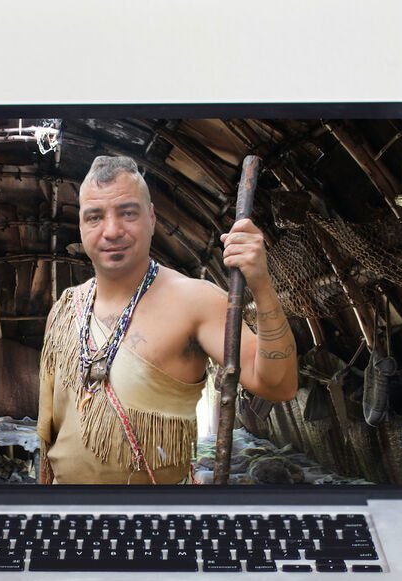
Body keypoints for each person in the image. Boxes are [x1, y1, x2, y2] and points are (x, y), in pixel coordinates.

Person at [37, 155, 298, 484]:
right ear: (81, 226)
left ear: (151, 218)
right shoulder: (64, 311)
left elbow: (279, 385)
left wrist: (260, 283)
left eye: (128, 213)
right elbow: (48, 435)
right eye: (95, 217)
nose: (112, 230)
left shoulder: (196, 301)